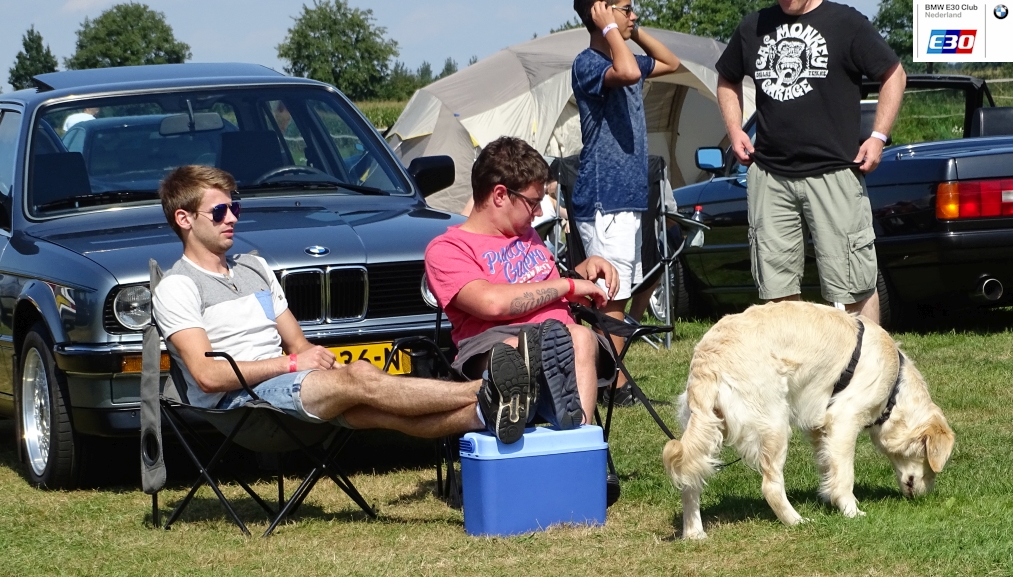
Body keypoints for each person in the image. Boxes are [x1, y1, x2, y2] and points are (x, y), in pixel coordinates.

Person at [152, 165, 536, 445]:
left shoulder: (255, 268)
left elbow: (299, 345)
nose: (232, 218)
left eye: (235, 208)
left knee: (371, 404)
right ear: (184, 219)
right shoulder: (178, 287)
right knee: (361, 378)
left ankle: (483, 413)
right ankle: (484, 389)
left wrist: (323, 363)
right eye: (219, 212)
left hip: (287, 387)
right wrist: (291, 364)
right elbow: (207, 376)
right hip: (241, 404)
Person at [716, 0, 906, 324]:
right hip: (771, 176)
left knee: (854, 286)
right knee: (776, 293)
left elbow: (894, 74)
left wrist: (878, 136)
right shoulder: (753, 26)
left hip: (834, 171)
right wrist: (735, 130)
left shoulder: (845, 22)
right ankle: (795, 357)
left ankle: (866, 357)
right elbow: (727, 78)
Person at [425, 136, 620, 431]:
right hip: (494, 342)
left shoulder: (527, 233)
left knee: (579, 338)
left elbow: (544, 285)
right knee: (513, 354)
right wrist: (568, 286)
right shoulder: (447, 249)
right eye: (533, 202)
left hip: (561, 338)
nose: (539, 212)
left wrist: (583, 273)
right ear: (500, 195)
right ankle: (531, 404)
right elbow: (492, 303)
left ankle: (572, 433)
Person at [570, 0, 681, 400]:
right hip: (605, 200)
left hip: (626, 198)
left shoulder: (624, 56)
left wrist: (629, 30)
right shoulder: (588, 64)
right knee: (610, 296)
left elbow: (670, 63)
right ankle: (611, 385)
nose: (635, 15)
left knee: (620, 294)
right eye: (627, 8)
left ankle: (610, 378)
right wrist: (610, 29)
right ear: (600, 12)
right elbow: (630, 72)